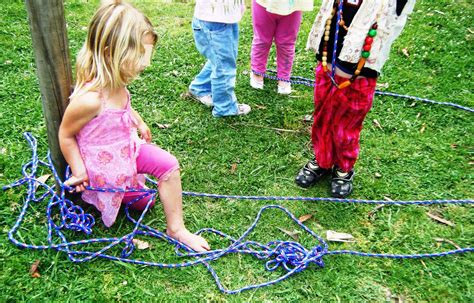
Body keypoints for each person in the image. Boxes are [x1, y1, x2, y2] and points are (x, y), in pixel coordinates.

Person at [58, 0, 209, 252]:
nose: (145, 63)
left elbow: (121, 107)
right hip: (104, 167)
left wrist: (136, 119)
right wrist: (78, 169)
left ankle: (177, 229)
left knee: (168, 165)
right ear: (110, 52)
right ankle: (119, 194)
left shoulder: (115, 80)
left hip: (128, 149)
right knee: (145, 202)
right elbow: (65, 134)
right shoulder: (89, 100)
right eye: (140, 55)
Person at [295, 0, 415, 198]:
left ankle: (344, 167)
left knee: (347, 126)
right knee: (323, 116)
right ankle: (322, 160)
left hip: (359, 75)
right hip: (328, 61)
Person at [187, 0, 251, 117]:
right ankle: (225, 107)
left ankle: (200, 87)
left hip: (220, 20)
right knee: (224, 67)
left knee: (219, 61)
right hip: (215, 24)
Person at [250, 0, 313, 94]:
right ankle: (257, 71)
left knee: (286, 42)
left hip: (292, 5)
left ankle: (284, 77)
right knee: (262, 39)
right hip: (265, 3)